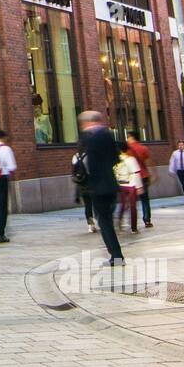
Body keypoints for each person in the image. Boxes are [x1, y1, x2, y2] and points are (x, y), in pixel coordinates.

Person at [78, 111, 124, 265]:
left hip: (98, 187)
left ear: (88, 123)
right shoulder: (108, 135)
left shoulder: (90, 139)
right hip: (110, 184)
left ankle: (116, 256)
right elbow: (115, 158)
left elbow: (87, 164)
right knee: (107, 221)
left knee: (104, 222)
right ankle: (116, 255)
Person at [125, 130, 153, 228]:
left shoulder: (127, 150)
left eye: (128, 137)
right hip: (143, 176)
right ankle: (147, 220)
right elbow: (149, 162)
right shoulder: (143, 148)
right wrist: (153, 174)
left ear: (131, 137)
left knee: (131, 201)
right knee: (145, 199)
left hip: (132, 178)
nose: (127, 139)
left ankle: (132, 222)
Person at [114, 140, 144, 233]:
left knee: (123, 204)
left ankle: (119, 221)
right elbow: (136, 173)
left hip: (121, 184)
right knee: (132, 206)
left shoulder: (115, 159)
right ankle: (133, 228)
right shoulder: (131, 159)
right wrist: (139, 187)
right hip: (131, 184)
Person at [71, 146, 96, 232]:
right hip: (91, 183)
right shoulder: (88, 156)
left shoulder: (75, 157)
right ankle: (99, 221)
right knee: (96, 203)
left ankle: (90, 225)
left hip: (81, 184)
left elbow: (73, 171)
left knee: (87, 206)